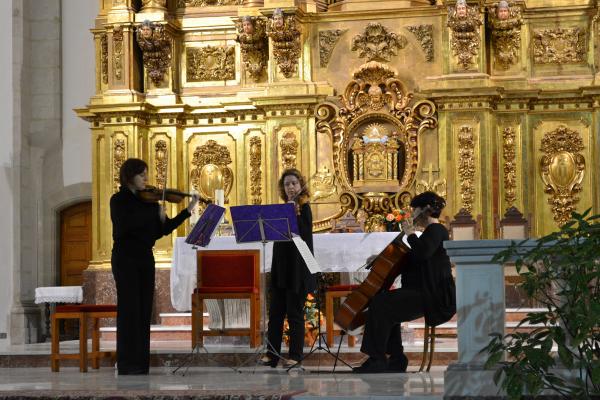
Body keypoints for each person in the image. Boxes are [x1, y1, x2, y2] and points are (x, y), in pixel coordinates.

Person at [110, 158, 199, 375]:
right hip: (125, 258)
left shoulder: (149, 203)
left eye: (146, 175)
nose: (146, 179)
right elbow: (125, 226)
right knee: (129, 310)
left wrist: (187, 210)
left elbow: (163, 230)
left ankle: (141, 363)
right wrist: (153, 211)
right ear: (130, 176)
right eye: (142, 175)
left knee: (143, 310)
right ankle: (126, 363)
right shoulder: (119, 200)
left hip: (144, 257)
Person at [354, 191, 456, 373]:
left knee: (381, 303)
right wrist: (381, 258)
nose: (412, 214)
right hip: (422, 292)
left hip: (431, 295)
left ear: (425, 210)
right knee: (385, 306)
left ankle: (378, 359)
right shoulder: (429, 233)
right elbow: (411, 258)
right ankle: (396, 359)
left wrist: (410, 234)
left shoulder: (437, 230)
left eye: (414, 209)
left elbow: (423, 253)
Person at [260, 168, 316, 368]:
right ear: (283, 189)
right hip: (281, 268)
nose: (291, 187)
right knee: (275, 313)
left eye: (294, 183)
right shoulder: (281, 209)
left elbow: (303, 236)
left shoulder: (305, 208)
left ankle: (295, 356)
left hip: (297, 269)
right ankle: (272, 354)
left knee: (294, 313)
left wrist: (294, 212)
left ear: (300, 185)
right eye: (287, 184)